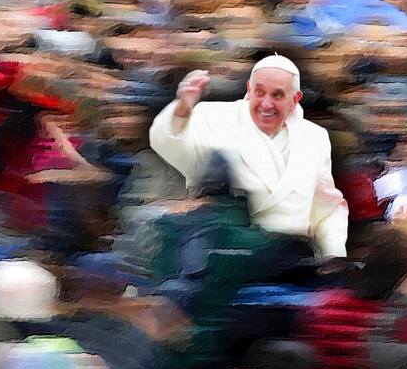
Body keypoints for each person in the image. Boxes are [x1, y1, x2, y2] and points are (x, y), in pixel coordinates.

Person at [149, 55, 349, 259]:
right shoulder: (214, 118)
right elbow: (168, 145)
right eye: (260, 93)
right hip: (226, 254)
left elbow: (327, 208)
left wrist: (333, 255)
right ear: (249, 89)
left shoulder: (314, 137)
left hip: (291, 260)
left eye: (277, 95)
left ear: (295, 99)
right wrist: (182, 111)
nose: (266, 104)